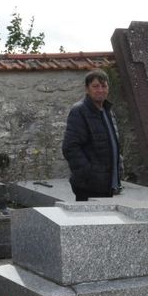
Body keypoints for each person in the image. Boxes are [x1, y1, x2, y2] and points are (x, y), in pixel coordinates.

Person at [62, 69, 123, 201]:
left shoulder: (108, 111)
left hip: (108, 184)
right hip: (88, 186)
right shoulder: (79, 111)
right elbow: (70, 147)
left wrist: (119, 167)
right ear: (87, 89)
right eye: (95, 86)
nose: (100, 90)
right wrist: (89, 173)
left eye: (104, 86)